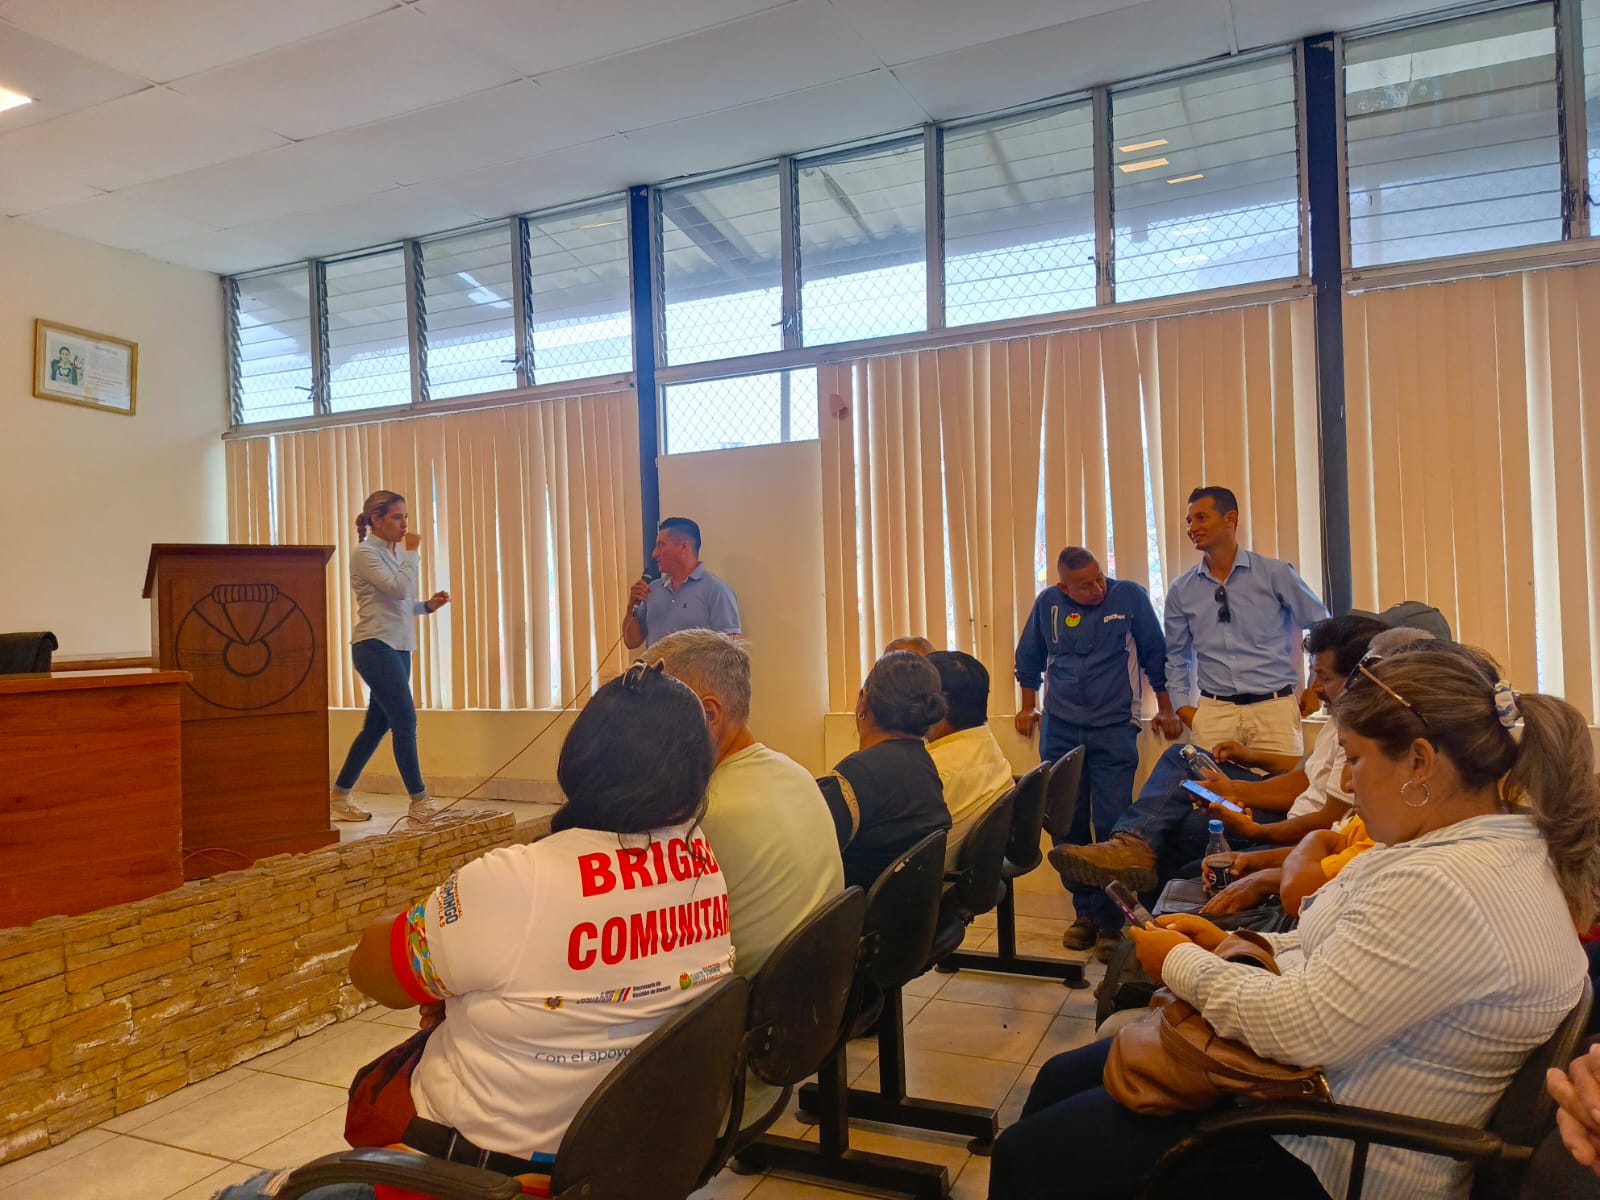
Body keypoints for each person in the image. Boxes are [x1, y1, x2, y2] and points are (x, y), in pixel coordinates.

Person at [991, 642, 1595, 1200]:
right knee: (1061, 1078)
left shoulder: (1446, 884)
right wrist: (1228, 941)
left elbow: (1300, 1028)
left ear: (1419, 762)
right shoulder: (1476, 845)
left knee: (1030, 1154)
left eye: (1355, 759)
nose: (1347, 782)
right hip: (1309, 1096)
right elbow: (1338, 954)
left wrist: (1177, 962)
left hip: (1329, 1149)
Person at [219, 663, 734, 1200]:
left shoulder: (519, 880)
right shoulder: (703, 866)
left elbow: (375, 973)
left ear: (581, 759)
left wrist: (441, 949)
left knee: (245, 1194)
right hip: (623, 1165)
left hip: (474, 1174)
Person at [1051, 613, 1385, 898]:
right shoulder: (1339, 717)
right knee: (1184, 757)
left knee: (1177, 829)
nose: (1314, 687)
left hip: (1291, 826)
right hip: (1288, 809)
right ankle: (1133, 847)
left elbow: (1326, 816)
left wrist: (1244, 806)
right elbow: (1308, 773)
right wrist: (1251, 758)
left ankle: (1138, 867)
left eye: (1324, 677)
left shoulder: (1363, 731)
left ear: (1358, 676)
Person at [647, 629, 844, 978]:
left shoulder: (703, 817)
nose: (643, 730)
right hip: (818, 988)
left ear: (708, 715)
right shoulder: (795, 772)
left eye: (653, 711)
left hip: (745, 1002)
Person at [1014, 547, 1180, 952]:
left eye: (1099, 578)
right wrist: (1027, 705)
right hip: (1060, 727)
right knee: (1064, 822)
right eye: (1085, 585)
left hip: (1113, 727)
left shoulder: (1129, 597)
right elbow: (1029, 657)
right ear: (1063, 587)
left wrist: (1166, 707)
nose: (1097, 588)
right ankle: (1083, 914)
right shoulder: (1048, 604)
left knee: (1111, 824)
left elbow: (1154, 653)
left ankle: (1110, 921)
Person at [1163, 486, 1329, 756]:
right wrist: (1182, 707)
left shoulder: (1274, 573)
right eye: (1189, 521)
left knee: (1281, 783)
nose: (1192, 528)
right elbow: (1175, 656)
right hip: (1214, 711)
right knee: (1209, 785)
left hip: (1274, 710)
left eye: (1201, 518)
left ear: (1230, 519)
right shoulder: (1182, 589)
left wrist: (1316, 685)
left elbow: (1323, 626)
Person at [330, 490, 451, 825]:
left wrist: (427, 606)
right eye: (397, 517)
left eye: (405, 517)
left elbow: (400, 603)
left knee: (376, 727)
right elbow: (397, 589)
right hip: (374, 646)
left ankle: (339, 795)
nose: (404, 524)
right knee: (404, 718)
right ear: (376, 519)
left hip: (397, 647)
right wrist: (412, 553)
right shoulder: (365, 553)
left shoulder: (394, 553)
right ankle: (419, 800)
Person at [819, 650, 951, 891]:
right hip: (909, 907)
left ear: (863, 701)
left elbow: (809, 856)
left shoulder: (858, 773)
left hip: (856, 910)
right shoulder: (924, 763)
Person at [925, 650, 1016, 869]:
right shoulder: (986, 744)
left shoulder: (932, 773)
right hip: (972, 876)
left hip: (930, 882)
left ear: (938, 704)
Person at [623, 517, 741, 650]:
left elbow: (730, 652)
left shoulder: (717, 590)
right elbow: (631, 642)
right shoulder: (652, 590)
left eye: (661, 545)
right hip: (654, 664)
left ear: (684, 547)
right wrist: (631, 605)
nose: (654, 554)